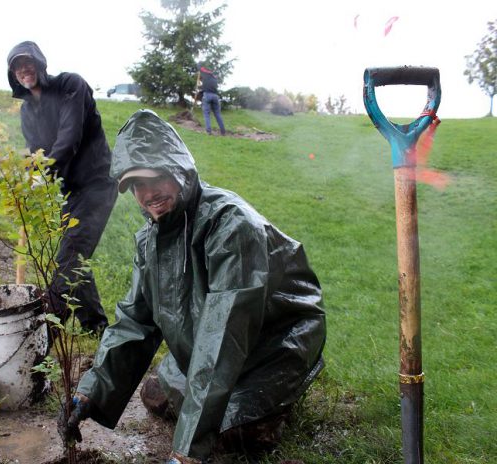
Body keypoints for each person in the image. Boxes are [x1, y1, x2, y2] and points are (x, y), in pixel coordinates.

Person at [59, 110, 326, 463]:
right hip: (211, 340)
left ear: (179, 169)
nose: (147, 193)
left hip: (271, 344)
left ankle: (271, 412)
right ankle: (218, 409)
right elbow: (134, 321)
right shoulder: (150, 239)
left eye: (155, 178)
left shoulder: (231, 226)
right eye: (135, 185)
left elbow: (224, 336)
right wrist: (90, 393)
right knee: (156, 395)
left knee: (230, 433)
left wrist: (186, 453)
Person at [6, 41, 116, 334]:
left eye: (28, 63)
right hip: (71, 190)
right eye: (17, 67)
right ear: (13, 75)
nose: (23, 70)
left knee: (69, 256)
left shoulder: (71, 85)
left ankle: (45, 332)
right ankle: (97, 327)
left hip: (97, 183)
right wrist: (30, 178)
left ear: (40, 64)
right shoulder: (27, 112)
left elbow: (70, 138)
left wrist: (46, 168)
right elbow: (36, 151)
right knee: (73, 257)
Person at [198, 65, 226, 135]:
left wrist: (199, 63)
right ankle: (223, 131)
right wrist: (200, 86)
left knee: (206, 114)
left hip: (207, 95)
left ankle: (208, 131)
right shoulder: (214, 78)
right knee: (217, 114)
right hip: (215, 96)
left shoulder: (206, 74)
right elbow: (207, 86)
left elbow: (200, 68)